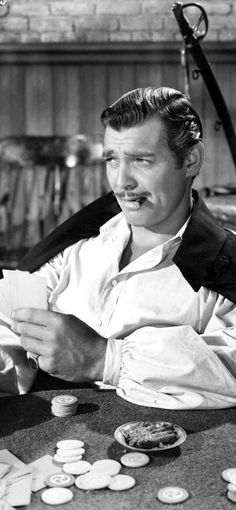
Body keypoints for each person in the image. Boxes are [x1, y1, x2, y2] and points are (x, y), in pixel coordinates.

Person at [2, 86, 236, 408]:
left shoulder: (221, 273)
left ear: (191, 160)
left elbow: (227, 365)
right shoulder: (78, 247)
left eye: (141, 160)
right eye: (112, 160)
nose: (121, 182)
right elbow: (11, 324)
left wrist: (106, 359)